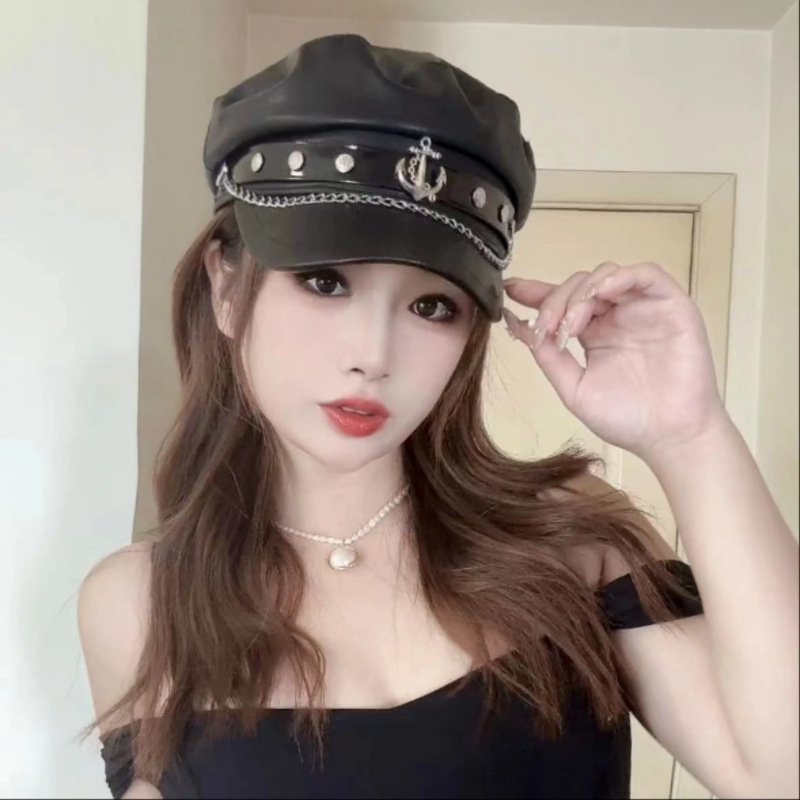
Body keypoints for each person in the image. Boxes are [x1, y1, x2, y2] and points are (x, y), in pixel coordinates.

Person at [76, 33, 799, 799]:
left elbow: (781, 774)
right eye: (324, 282)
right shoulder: (138, 602)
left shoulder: (570, 536)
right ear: (226, 287)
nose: (373, 354)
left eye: (431, 306)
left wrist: (689, 435)